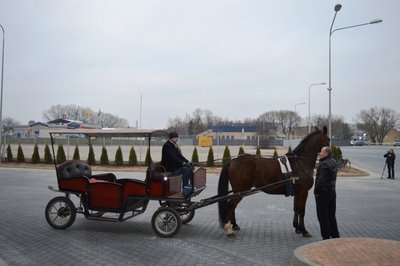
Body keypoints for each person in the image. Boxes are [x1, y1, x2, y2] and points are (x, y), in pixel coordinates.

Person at [314, 146, 340, 240]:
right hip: (332, 193)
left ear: (326, 153)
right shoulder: (334, 161)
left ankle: (326, 238)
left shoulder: (324, 164)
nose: (320, 153)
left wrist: (316, 191)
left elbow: (321, 181)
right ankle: (335, 236)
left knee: (323, 217)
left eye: (321, 152)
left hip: (323, 194)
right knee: (331, 216)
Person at [161, 131, 194, 197]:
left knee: (190, 168)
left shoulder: (174, 145)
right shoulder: (167, 146)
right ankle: (185, 188)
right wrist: (183, 163)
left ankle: (191, 186)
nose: (177, 139)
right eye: (175, 138)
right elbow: (173, 157)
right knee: (185, 169)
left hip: (175, 166)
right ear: (171, 138)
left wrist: (188, 162)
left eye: (177, 137)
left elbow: (180, 156)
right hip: (170, 168)